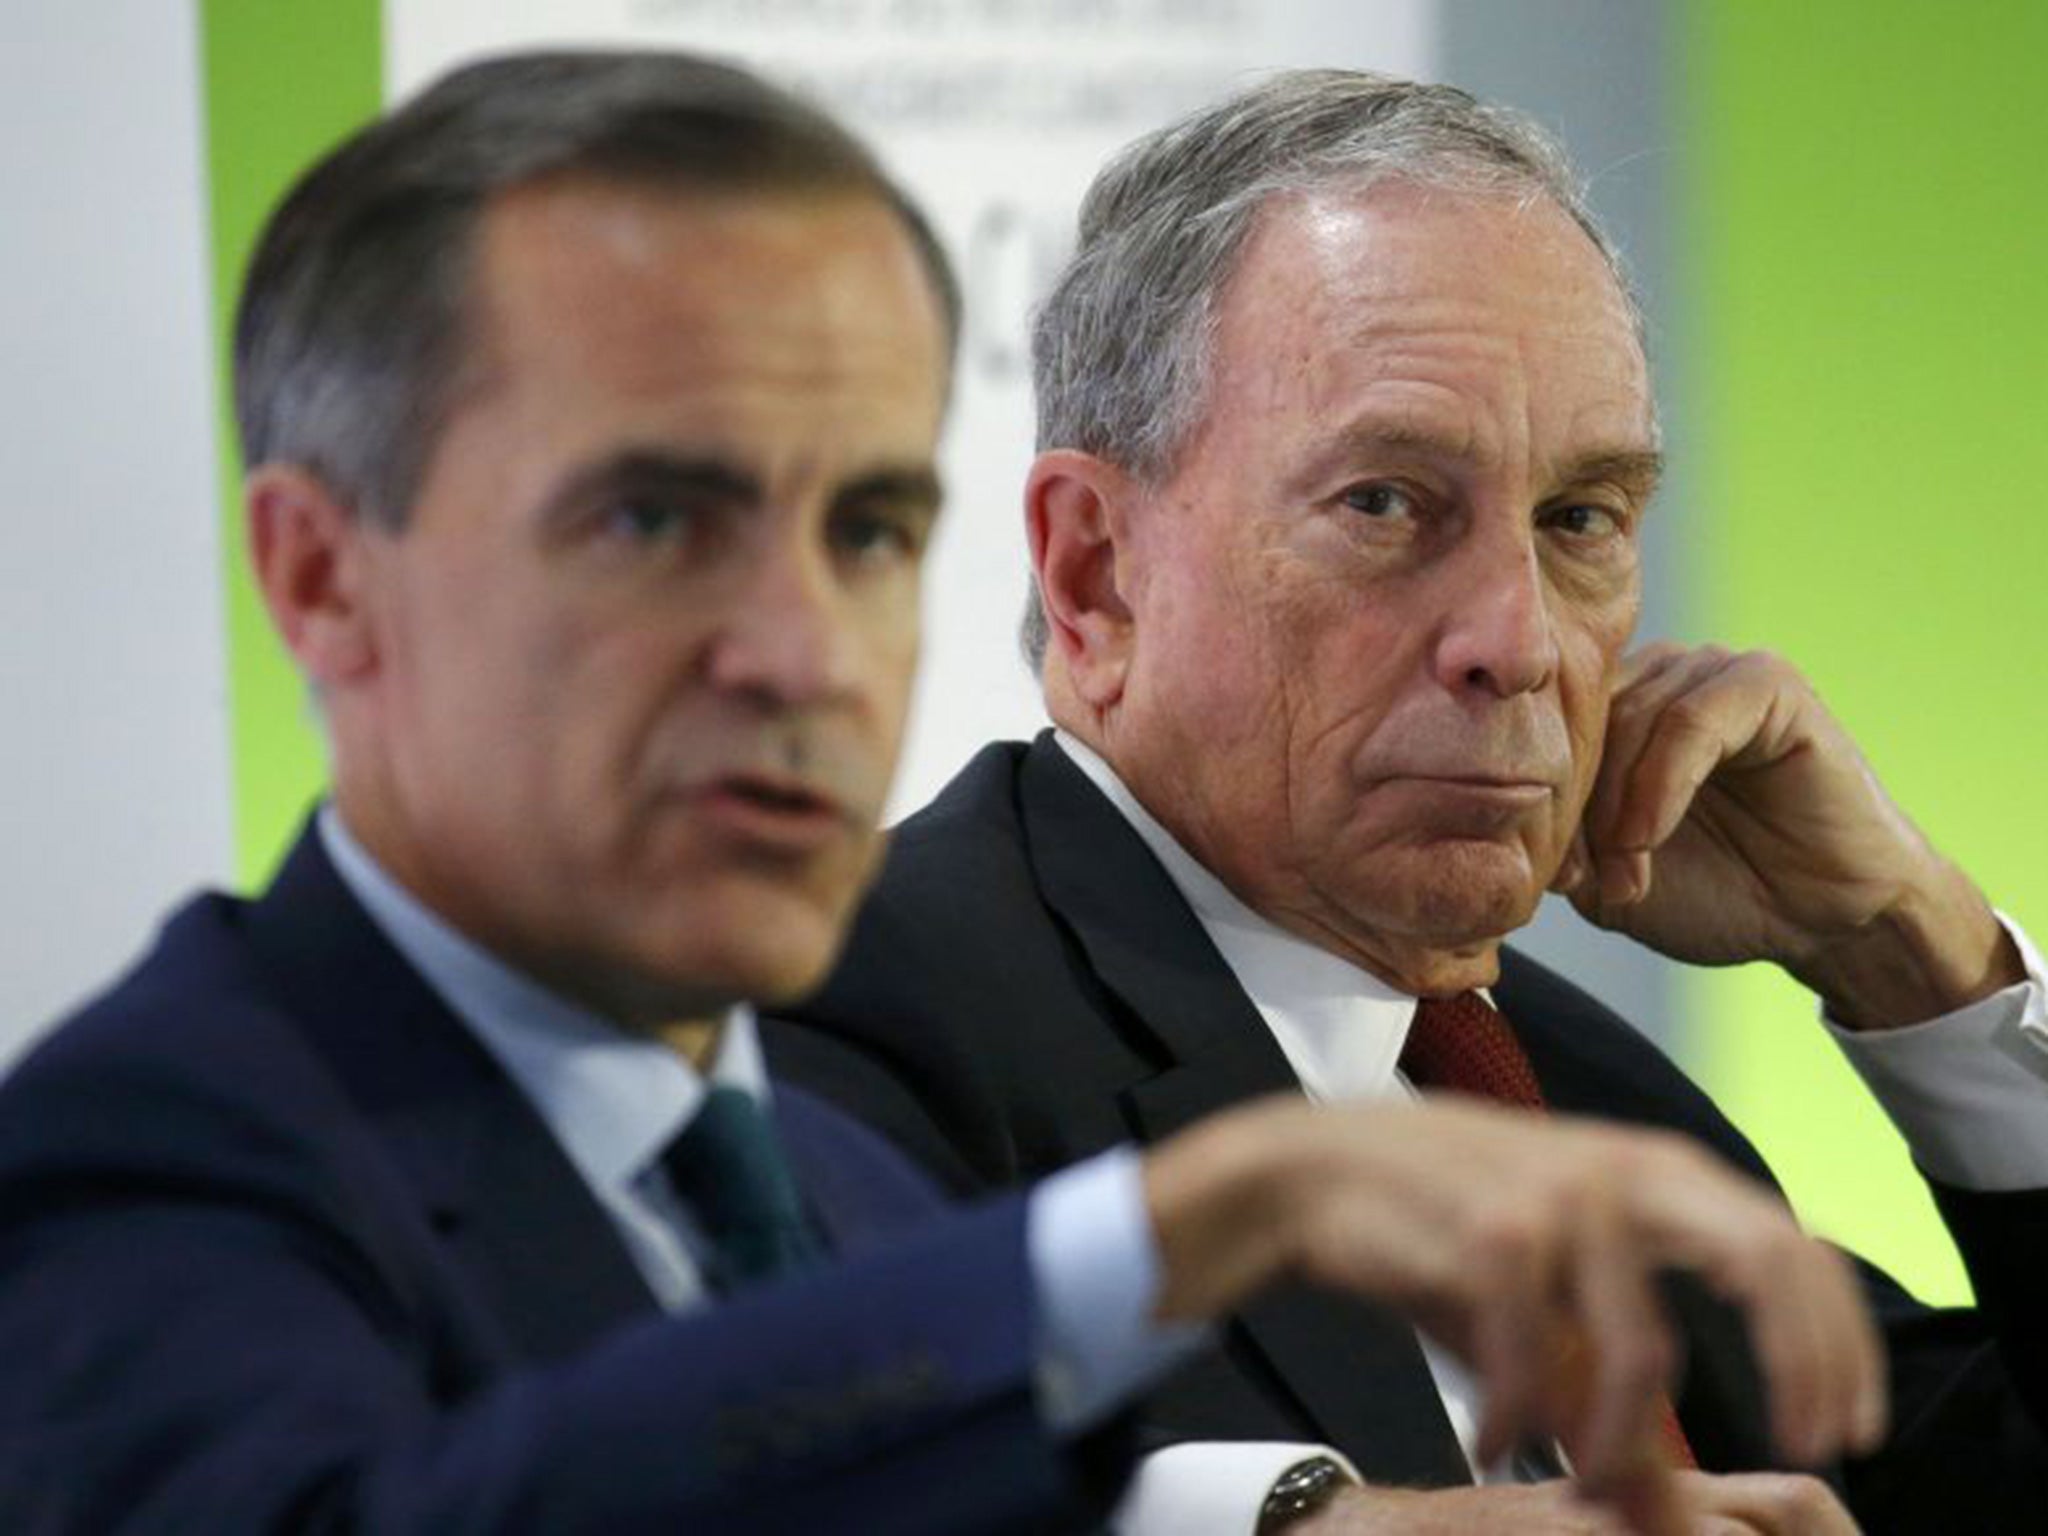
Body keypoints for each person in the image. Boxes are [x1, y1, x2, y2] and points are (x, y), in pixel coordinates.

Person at [0, 51, 1882, 1536]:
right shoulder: (154, 1143)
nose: (807, 651)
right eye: (655, 519)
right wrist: (1186, 1228)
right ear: (327, 581)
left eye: (871, 528)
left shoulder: (826, 1195)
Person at [768, 69, 2048, 1534]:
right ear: (1095, 575)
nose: (1520, 639)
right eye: (1385, 503)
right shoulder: (839, 999)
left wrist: (1915, 952)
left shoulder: (1575, 1091)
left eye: (1580, 520)